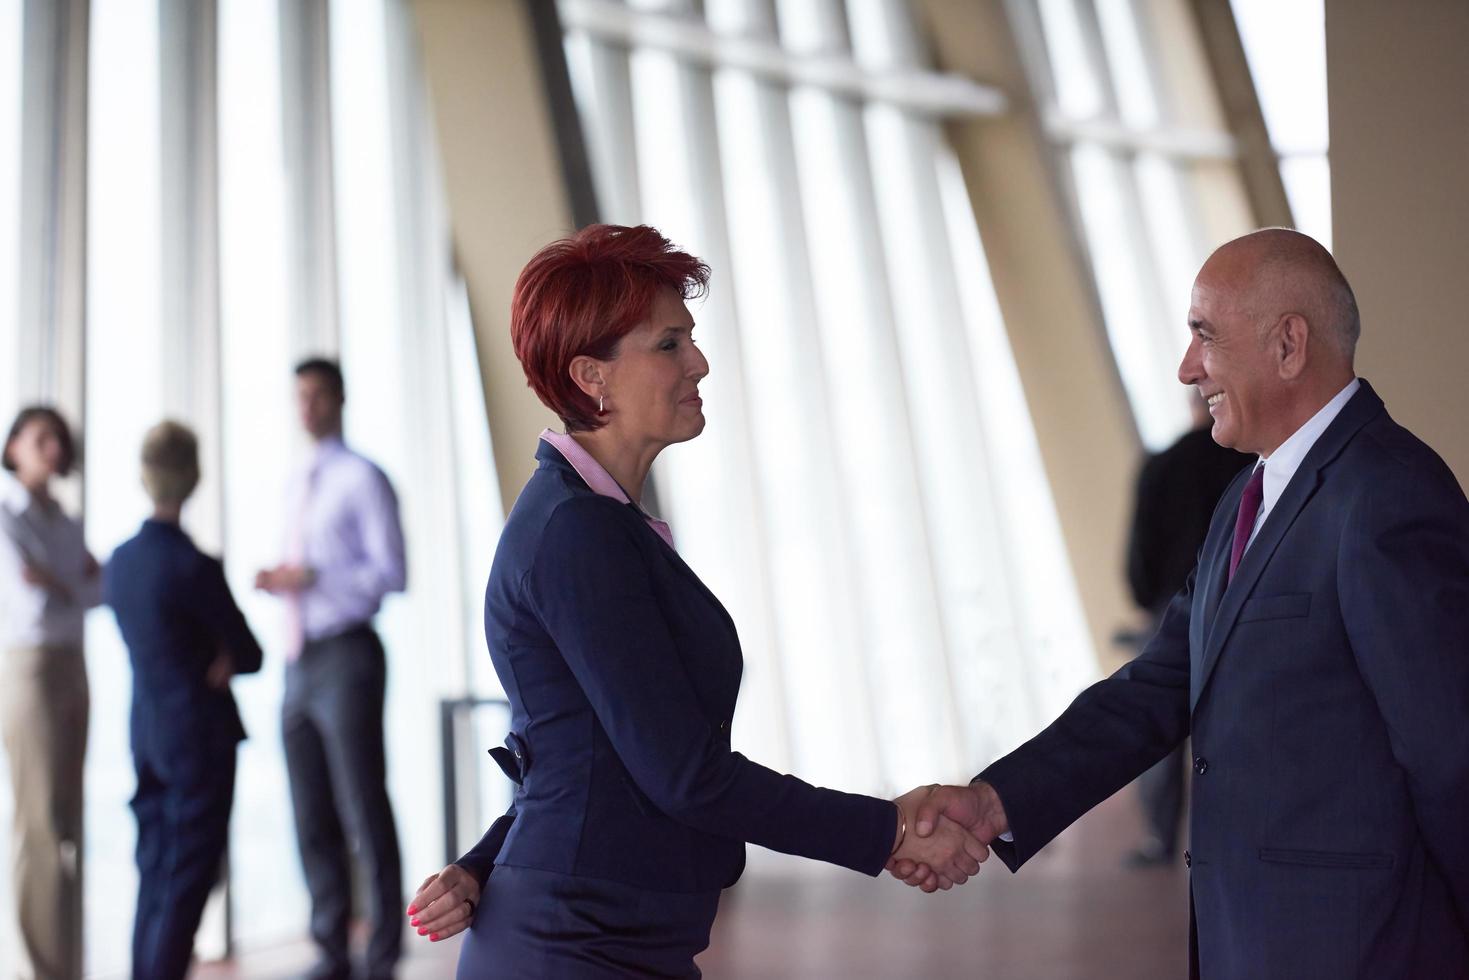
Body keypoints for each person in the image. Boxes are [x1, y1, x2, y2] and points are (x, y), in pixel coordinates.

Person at [402, 225, 987, 977]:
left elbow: (575, 748)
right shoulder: (578, 531)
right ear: (593, 376)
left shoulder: (593, 519)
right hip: (577, 942)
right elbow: (683, 774)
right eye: (669, 344)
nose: (699, 363)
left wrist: (483, 861)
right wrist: (887, 830)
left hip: (606, 930)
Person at [895, 229, 1469, 978]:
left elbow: (1450, 752)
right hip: (1252, 942)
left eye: (1203, 335)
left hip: (1359, 950)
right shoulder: (1248, 494)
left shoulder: (1386, 494)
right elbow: (1158, 684)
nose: (1185, 368)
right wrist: (997, 800)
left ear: (1287, 345)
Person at [255, 358, 407, 980]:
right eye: (299, 397)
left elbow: (392, 574)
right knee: (308, 807)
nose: (307, 407)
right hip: (299, 659)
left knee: (361, 801)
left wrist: (316, 578)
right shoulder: (297, 481)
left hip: (347, 652)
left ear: (339, 399)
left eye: (317, 395)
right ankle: (330, 947)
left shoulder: (362, 478)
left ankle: (382, 950)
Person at [105, 421, 262, 979]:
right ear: (192, 476)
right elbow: (250, 653)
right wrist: (220, 652)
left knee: (154, 867)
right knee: (188, 873)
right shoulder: (195, 565)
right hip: (199, 732)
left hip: (146, 730)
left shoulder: (119, 563)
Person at [1121, 394, 1249, 866]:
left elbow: (1140, 548)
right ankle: (1238, 836)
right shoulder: (1247, 465)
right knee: (1237, 720)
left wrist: (1147, 598)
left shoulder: (1164, 464)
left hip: (1173, 605)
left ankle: (1160, 837)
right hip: (1242, 603)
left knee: (1159, 719)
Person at [0, 406, 99, 980]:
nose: (54, 451)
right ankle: (42, 971)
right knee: (37, 824)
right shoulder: (6, 515)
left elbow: (97, 590)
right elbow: (32, 599)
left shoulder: (64, 520)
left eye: (60, 441)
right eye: (42, 439)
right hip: (30, 669)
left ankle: (69, 967)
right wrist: (70, 585)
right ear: (13, 446)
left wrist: (58, 582)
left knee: (68, 822)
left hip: (73, 665)